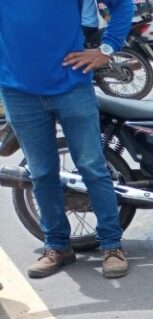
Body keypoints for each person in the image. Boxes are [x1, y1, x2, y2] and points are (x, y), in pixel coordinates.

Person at [0, 0, 133, 280]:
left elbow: (123, 5)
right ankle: (57, 246)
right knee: (41, 172)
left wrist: (107, 49)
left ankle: (111, 246)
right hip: (18, 92)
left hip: (72, 86)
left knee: (92, 167)